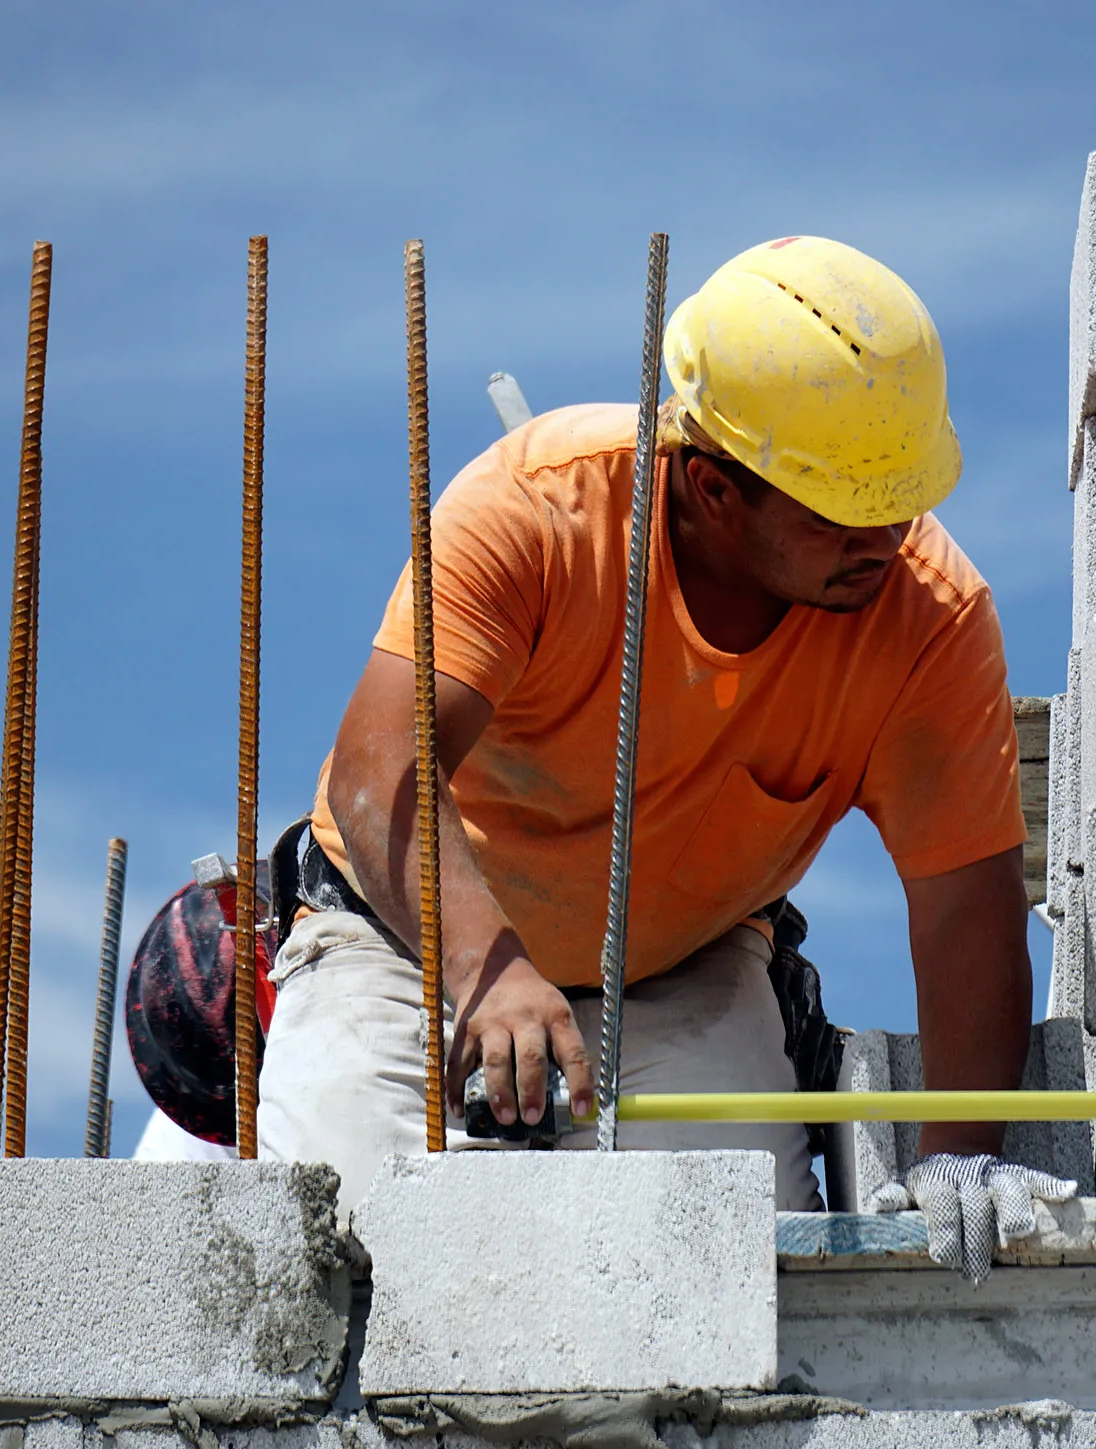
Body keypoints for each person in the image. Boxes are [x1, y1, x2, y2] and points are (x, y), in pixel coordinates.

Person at [256, 236, 1036, 1223]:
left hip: (681, 977)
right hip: (409, 950)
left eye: (902, 503)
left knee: (737, 1268)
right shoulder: (537, 514)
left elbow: (966, 904)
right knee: (347, 1243)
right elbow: (377, 779)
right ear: (714, 488)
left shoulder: (927, 617)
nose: (886, 541)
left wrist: (958, 1156)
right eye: (844, 515)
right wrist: (487, 971)